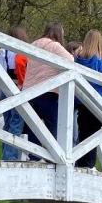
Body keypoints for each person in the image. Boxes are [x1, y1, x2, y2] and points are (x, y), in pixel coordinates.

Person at [22, 22, 74, 156]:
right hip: (47, 91)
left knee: (34, 125)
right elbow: (70, 60)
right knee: (53, 124)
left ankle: (34, 155)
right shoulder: (54, 46)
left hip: (29, 91)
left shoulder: (34, 44)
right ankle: (53, 155)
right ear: (58, 33)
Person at [73, 29, 102, 168]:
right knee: (93, 136)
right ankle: (88, 164)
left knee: (83, 132)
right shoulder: (101, 59)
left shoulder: (79, 58)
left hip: (82, 101)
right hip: (96, 100)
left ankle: (80, 162)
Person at [0, 26, 28, 160]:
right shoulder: (19, 52)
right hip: (16, 87)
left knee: (7, 122)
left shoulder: (2, 52)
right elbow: (20, 65)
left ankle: (5, 154)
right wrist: (22, 82)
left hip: (3, 89)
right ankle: (10, 157)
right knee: (16, 123)